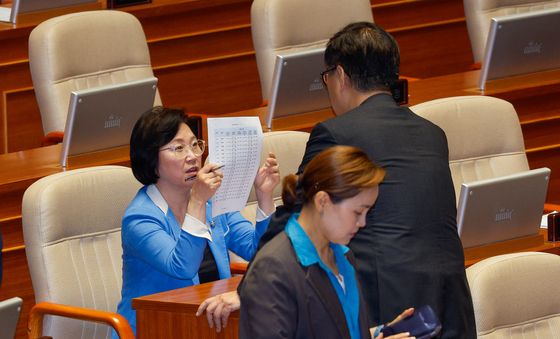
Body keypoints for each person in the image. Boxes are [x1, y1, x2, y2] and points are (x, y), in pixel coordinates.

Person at [260, 22, 476, 338]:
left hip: (388, 310)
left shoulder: (336, 133)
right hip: (449, 307)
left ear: (341, 76)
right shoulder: (432, 134)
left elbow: (300, 215)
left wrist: (255, 276)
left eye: (326, 78)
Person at [114, 106, 279, 336]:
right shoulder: (140, 218)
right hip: (155, 328)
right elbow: (182, 266)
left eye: (194, 144)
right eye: (178, 148)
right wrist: (198, 202)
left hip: (208, 325)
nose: (192, 156)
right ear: (151, 159)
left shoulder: (213, 202)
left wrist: (264, 198)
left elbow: (259, 252)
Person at [238, 145, 414, 339]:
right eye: (357, 212)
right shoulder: (271, 270)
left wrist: (380, 333)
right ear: (322, 201)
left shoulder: (343, 255)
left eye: (367, 213)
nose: (362, 223)